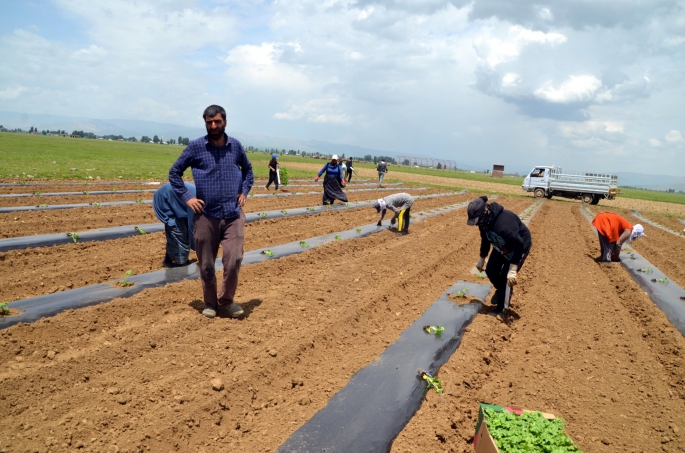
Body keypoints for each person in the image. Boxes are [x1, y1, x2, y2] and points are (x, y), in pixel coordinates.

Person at [169, 105, 255, 319]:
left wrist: (244, 191)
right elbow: (174, 173)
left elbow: (249, 170)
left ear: (224, 121)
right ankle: (210, 303)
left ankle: (226, 301)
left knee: (233, 259)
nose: (213, 126)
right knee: (207, 265)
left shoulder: (235, 146)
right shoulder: (196, 147)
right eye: (209, 122)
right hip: (206, 216)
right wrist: (188, 198)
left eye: (217, 121)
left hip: (233, 214)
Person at [466, 196, 532, 315]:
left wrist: (513, 268)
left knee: (505, 279)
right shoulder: (484, 223)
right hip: (501, 245)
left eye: (478, 220)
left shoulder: (504, 225)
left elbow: (519, 245)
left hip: (518, 248)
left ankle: (502, 310)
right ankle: (502, 291)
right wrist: (482, 257)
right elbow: (485, 239)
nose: (477, 224)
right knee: (491, 271)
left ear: (485, 212)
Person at [153, 182, 197, 267]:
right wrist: (197, 248)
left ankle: (169, 260)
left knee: (184, 233)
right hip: (164, 200)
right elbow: (192, 226)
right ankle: (180, 263)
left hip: (177, 204)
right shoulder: (197, 200)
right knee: (178, 231)